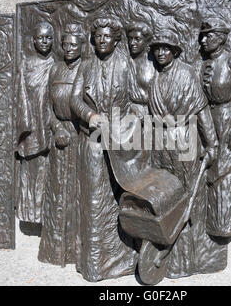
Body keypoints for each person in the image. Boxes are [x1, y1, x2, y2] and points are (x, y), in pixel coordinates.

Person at [147, 30, 222, 278]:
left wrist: (212, 143)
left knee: (187, 198)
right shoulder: (156, 80)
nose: (160, 53)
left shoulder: (186, 75)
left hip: (185, 142)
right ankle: (166, 253)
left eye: (166, 48)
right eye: (157, 48)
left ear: (175, 51)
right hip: (161, 145)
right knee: (166, 197)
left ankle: (185, 260)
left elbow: (201, 111)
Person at [70, 18, 137, 281]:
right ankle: (96, 263)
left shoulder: (125, 65)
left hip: (121, 143)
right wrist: (90, 115)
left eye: (107, 36)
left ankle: (123, 259)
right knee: (95, 201)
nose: (102, 41)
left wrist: (126, 126)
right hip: (93, 142)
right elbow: (74, 98)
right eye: (98, 36)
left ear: (115, 39)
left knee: (121, 198)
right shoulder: (86, 66)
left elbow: (136, 100)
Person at [38, 24, 85, 266]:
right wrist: (57, 128)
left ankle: (75, 252)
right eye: (65, 44)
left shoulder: (85, 69)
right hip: (59, 138)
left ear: (82, 46)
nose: (68, 49)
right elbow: (47, 106)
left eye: (73, 45)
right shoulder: (55, 70)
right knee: (57, 192)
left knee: (77, 194)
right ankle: (54, 251)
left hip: (81, 137)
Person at [198, 19, 231, 237]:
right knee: (210, 168)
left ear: (220, 38)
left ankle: (230, 223)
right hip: (207, 119)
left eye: (208, 36)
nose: (203, 40)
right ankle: (212, 223)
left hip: (227, 119)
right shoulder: (202, 65)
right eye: (202, 36)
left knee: (227, 169)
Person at [15, 21, 55, 224]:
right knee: (29, 172)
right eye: (41, 38)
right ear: (33, 40)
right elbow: (20, 94)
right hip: (31, 125)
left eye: (49, 38)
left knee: (44, 171)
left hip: (49, 125)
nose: (45, 42)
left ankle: (42, 212)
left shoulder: (55, 64)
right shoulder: (26, 64)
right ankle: (28, 212)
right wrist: (26, 124)